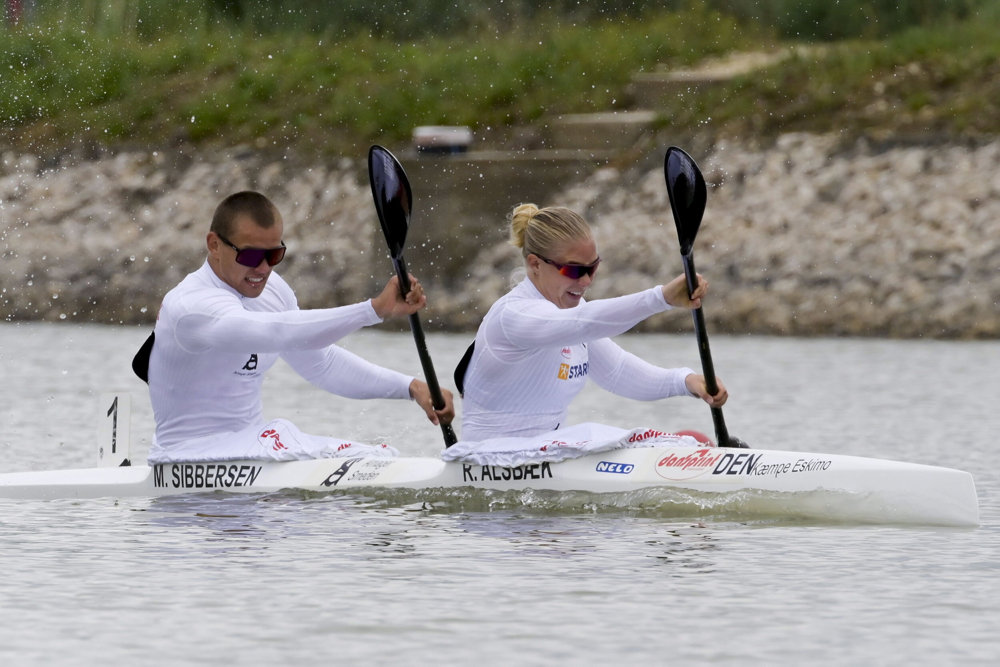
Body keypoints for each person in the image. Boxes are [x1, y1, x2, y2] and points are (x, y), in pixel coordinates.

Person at [141, 190, 454, 463]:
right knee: (288, 436)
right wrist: (373, 310)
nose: (262, 269)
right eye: (251, 255)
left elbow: (322, 363)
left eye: (274, 255)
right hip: (186, 457)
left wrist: (411, 387)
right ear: (214, 245)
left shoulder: (273, 291)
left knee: (376, 455)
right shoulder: (192, 307)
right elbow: (275, 331)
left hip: (252, 452)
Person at [456, 203, 727, 443]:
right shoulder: (514, 316)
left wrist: (686, 381)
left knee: (688, 442)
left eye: (593, 268)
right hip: (489, 462)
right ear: (535, 264)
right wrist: (660, 298)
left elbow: (619, 372)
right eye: (574, 270)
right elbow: (582, 323)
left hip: (545, 456)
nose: (586, 281)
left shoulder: (577, 315)